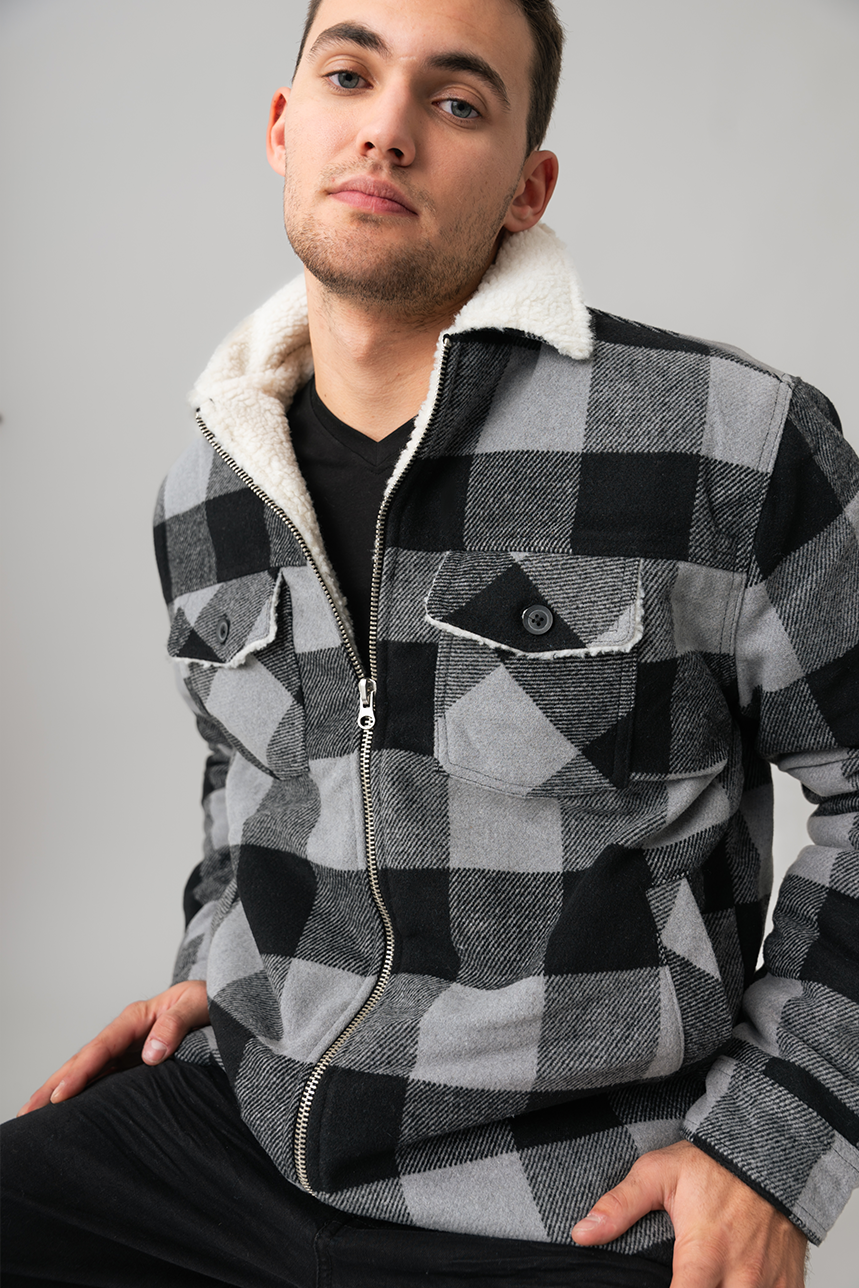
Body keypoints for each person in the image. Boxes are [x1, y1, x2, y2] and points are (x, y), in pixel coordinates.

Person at [3, 0, 857, 1284]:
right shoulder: (208, 491)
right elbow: (246, 789)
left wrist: (770, 1151)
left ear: (527, 188)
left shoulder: (728, 443)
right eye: (349, 75)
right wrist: (219, 978)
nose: (387, 130)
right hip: (237, 1131)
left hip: (566, 1188)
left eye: (455, 102)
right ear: (284, 127)